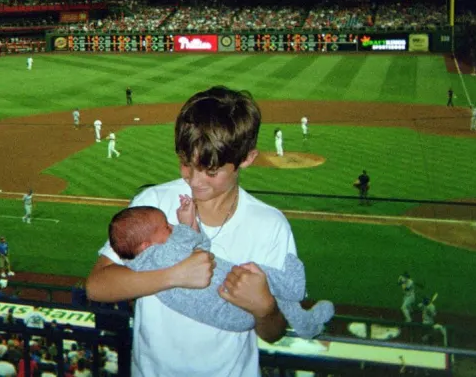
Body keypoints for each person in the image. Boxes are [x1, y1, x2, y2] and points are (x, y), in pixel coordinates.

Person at [86, 85, 294, 377]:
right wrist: (174, 275)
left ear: (246, 158)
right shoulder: (153, 203)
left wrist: (265, 308)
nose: (194, 181)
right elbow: (97, 285)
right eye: (186, 164)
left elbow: (274, 332)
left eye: (211, 171)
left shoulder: (270, 225)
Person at [109, 203, 333, 338]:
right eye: (166, 227)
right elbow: (186, 244)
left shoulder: (142, 262)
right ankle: (294, 286)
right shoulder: (157, 256)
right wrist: (186, 224)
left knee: (275, 296)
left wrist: (192, 228)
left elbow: (202, 248)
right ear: (145, 246)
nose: (172, 227)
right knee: (254, 271)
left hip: (234, 313)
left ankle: (306, 324)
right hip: (228, 305)